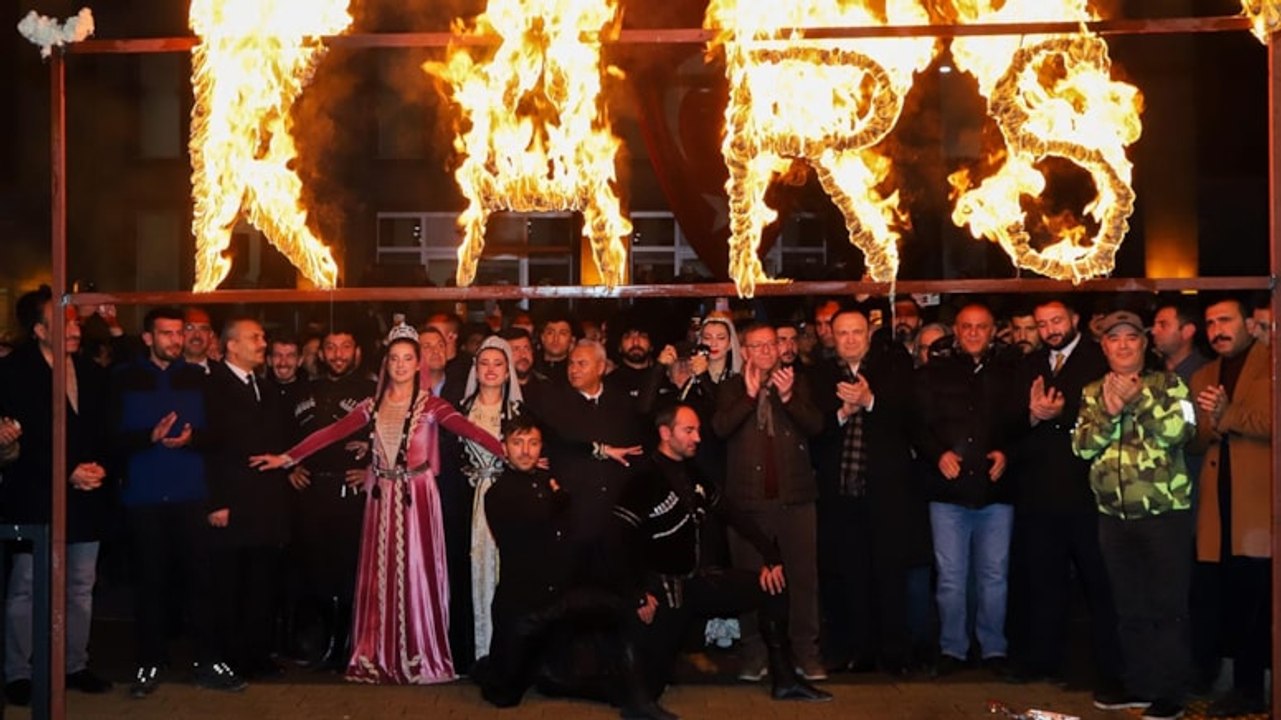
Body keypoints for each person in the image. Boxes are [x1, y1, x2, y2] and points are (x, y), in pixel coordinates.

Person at [251, 325, 504, 684]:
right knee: (380, 576)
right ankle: (381, 654)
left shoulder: (432, 405)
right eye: (395, 358)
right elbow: (330, 433)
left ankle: (419, 654)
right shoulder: (373, 404)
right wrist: (288, 458)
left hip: (417, 496)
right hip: (381, 497)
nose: (400, 365)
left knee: (416, 575)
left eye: (408, 359)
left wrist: (509, 452)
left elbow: (470, 430)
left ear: (419, 364)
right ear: (386, 362)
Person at [616, 404, 830, 708]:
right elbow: (621, 542)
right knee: (645, 688)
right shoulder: (643, 479)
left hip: (697, 584)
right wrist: (638, 593)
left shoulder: (693, 472)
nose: (697, 437)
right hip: (662, 593)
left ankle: (785, 681)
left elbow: (732, 512)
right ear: (665, 433)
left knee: (772, 586)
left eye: (698, 430)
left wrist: (771, 556)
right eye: (688, 430)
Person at [479, 416, 669, 720]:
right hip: (526, 608)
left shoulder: (548, 482)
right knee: (504, 696)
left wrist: (633, 591)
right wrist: (559, 496)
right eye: (517, 443)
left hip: (561, 598)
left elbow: (569, 540)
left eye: (533, 443)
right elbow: (532, 532)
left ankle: (637, 700)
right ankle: (496, 668)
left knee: (617, 611)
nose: (526, 451)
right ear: (504, 447)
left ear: (542, 447)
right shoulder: (498, 494)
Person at [1073, 310, 1196, 720]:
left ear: (1144, 344)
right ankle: (1140, 685)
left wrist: (1137, 399)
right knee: (1129, 607)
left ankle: (1172, 690)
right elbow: (1082, 447)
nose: (1123, 344)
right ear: (1103, 346)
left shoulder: (1170, 385)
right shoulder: (1092, 392)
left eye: (1131, 337)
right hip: (1113, 516)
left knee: (1167, 606)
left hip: (1164, 516)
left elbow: (1181, 433)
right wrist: (1109, 411)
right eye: (1114, 338)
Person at [0, 288, 113, 706]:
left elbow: (103, 430)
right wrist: (66, 471)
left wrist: (99, 467)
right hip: (35, 495)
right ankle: (19, 672)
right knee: (29, 584)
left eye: (75, 320)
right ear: (38, 329)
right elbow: (16, 441)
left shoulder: (91, 372)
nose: (74, 327)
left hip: (86, 496)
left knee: (81, 584)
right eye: (63, 320)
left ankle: (73, 664)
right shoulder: (12, 373)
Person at [1008, 299, 1122, 695]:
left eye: (1056, 320)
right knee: (1042, 580)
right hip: (1039, 492)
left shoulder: (1098, 360)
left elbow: (1105, 414)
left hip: (1086, 490)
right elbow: (1008, 421)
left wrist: (1061, 414)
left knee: (1096, 581)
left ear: (1075, 320)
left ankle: (1101, 668)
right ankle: (1044, 661)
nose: (1050, 329)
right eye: (1042, 324)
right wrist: (1033, 415)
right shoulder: (1029, 364)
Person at [110, 306, 223, 698]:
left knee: (201, 583)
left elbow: (221, 437)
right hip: (143, 499)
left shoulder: (200, 379)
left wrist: (193, 440)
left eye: (180, 333)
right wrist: (148, 437)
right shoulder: (124, 379)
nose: (175, 340)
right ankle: (150, 662)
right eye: (167, 334)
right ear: (148, 338)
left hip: (191, 497)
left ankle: (207, 660)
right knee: (150, 585)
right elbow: (109, 439)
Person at [713, 323, 825, 681]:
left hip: (796, 499)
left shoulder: (796, 380)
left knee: (803, 579)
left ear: (779, 349)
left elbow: (817, 426)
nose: (765, 351)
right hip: (747, 501)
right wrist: (748, 397)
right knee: (750, 580)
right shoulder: (730, 387)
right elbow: (720, 429)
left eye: (770, 345)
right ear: (744, 351)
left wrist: (790, 398)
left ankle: (806, 653)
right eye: (756, 346)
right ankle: (754, 653)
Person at [916, 301, 1022, 676]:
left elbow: (1023, 424)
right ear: (955, 332)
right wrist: (937, 454)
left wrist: (1007, 453)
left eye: (982, 326)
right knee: (951, 577)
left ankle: (994, 649)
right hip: (948, 491)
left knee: (995, 576)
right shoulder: (934, 373)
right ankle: (952, 650)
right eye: (966, 326)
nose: (974, 333)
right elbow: (917, 424)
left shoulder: (1011, 373)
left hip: (996, 491)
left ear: (994, 331)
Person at [1188, 296, 1273, 717]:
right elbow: (1198, 438)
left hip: (1258, 508)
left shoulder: (1271, 362)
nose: (1217, 329)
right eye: (1209, 322)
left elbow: (1271, 423)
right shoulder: (1203, 374)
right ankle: (1233, 685)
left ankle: (1251, 689)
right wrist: (1212, 423)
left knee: (1258, 600)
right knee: (1226, 598)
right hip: (1217, 505)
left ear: (1247, 324)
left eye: (1226, 320)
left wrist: (1226, 415)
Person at [202, 317, 293, 683]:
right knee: (229, 586)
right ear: (231, 345)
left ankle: (257, 653)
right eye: (254, 337)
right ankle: (227, 656)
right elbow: (210, 450)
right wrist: (215, 502)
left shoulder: (267, 389)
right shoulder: (213, 388)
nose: (262, 342)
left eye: (262, 335)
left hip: (266, 505)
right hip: (233, 503)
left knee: (261, 583)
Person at [458, 336, 524, 660]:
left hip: (508, 498)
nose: (491, 370)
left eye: (498, 364)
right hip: (468, 501)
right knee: (471, 572)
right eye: (484, 363)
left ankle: (505, 651)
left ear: (509, 371)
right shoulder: (460, 410)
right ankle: (476, 651)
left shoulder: (518, 412)